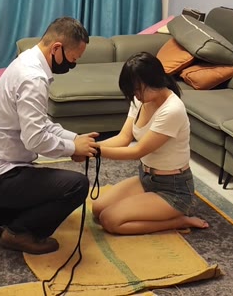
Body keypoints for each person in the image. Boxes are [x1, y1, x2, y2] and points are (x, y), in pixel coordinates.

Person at [0, 17, 99, 255]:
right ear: (57, 48)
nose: (73, 65)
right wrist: (72, 148)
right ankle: (19, 233)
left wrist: (74, 139)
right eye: (73, 59)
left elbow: (41, 123)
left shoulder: (26, 61)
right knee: (76, 186)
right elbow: (35, 139)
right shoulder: (33, 79)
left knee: (45, 186)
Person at [89, 52, 209, 235]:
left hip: (173, 189)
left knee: (110, 220)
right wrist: (91, 146)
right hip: (146, 178)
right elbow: (123, 138)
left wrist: (94, 151)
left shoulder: (172, 110)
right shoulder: (140, 100)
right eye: (133, 91)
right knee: (98, 209)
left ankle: (179, 220)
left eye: (138, 89)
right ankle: (153, 207)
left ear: (154, 81)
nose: (136, 95)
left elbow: (137, 151)